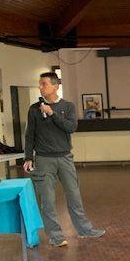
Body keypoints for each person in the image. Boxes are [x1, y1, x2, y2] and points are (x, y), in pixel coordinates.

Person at [23, 72, 105, 247]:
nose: (40, 87)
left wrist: (52, 113)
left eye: (44, 84)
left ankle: (85, 230)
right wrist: (28, 157)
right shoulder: (33, 109)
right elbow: (30, 135)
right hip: (44, 160)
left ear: (55, 86)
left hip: (65, 158)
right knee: (47, 200)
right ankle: (55, 236)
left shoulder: (68, 107)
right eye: (40, 84)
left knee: (74, 195)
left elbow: (71, 127)